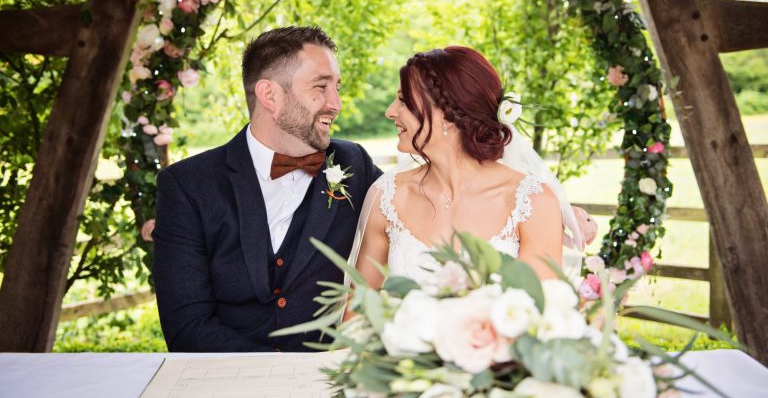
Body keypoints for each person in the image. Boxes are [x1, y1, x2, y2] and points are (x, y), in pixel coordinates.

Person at [153, 26, 381, 352]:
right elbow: (187, 327)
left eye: (337, 88)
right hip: (229, 377)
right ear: (270, 95)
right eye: (320, 87)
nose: (336, 103)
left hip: (330, 373)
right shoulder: (188, 186)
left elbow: (417, 209)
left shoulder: (353, 164)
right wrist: (275, 373)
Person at [353, 46, 588, 289]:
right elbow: (357, 305)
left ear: (447, 113)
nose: (390, 112)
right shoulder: (387, 197)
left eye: (404, 101)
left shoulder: (532, 203)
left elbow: (541, 306)